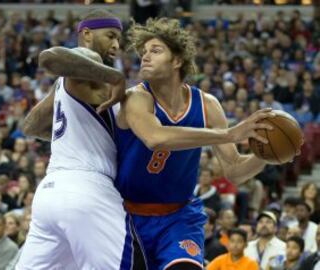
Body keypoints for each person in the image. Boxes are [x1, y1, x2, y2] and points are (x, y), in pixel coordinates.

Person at [113, 17, 287, 269]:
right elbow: (155, 138)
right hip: (126, 217)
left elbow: (235, 171)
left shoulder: (207, 105)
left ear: (177, 60)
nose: (145, 57)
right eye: (144, 52)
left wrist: (268, 154)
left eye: (156, 50)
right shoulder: (136, 98)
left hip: (179, 217)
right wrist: (229, 134)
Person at [17, 10, 145, 270]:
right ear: (86, 34)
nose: (116, 45)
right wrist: (116, 77)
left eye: (118, 39)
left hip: (50, 193)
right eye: (110, 35)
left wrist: (78, 128)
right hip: (87, 189)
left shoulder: (67, 82)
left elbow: (30, 126)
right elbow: (49, 58)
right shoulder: (89, 60)